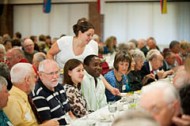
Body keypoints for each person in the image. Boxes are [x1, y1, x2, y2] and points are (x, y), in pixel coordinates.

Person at [31, 59, 75, 125]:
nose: (55, 77)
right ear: (40, 75)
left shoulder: (59, 86)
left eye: (57, 72)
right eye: (51, 73)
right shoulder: (38, 94)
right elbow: (47, 123)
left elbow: (69, 112)